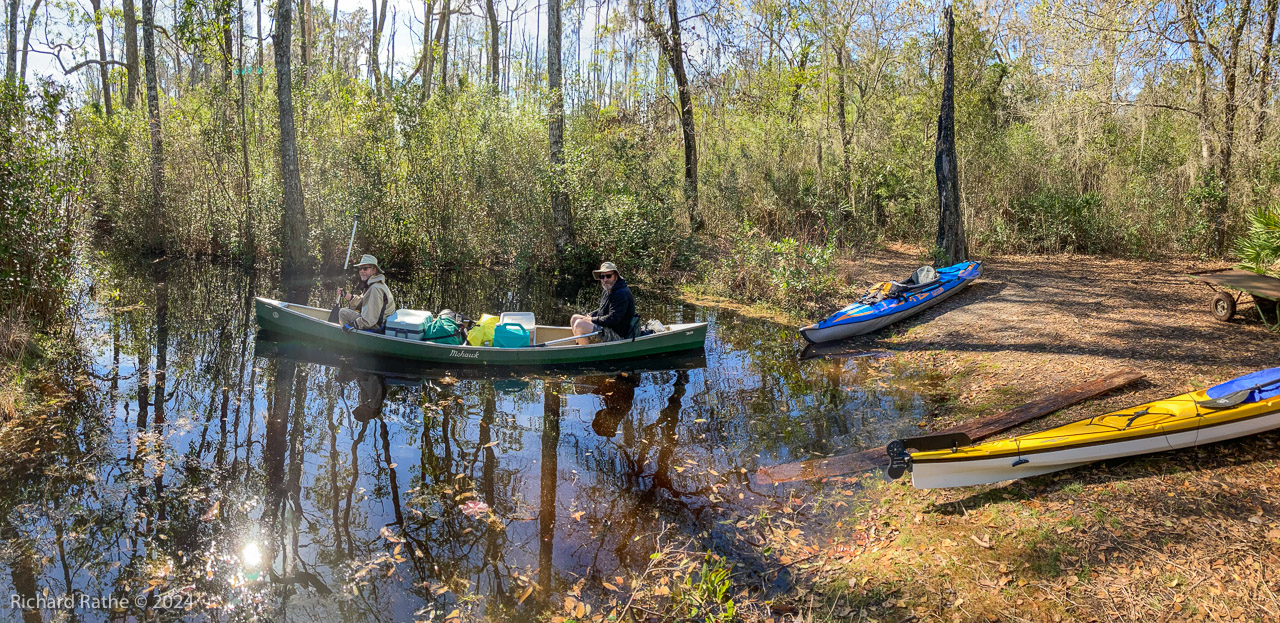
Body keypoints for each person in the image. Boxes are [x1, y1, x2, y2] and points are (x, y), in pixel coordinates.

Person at [571, 261, 637, 345]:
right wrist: (591, 315)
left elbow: (613, 319)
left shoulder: (621, 293)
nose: (605, 279)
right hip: (607, 328)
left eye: (608, 276)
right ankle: (581, 344)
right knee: (575, 318)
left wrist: (592, 319)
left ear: (616, 276)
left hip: (618, 336)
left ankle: (585, 354)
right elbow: (603, 310)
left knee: (580, 324)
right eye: (602, 277)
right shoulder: (608, 289)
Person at [337, 254, 397, 333]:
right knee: (351, 310)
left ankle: (348, 338)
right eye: (360, 269)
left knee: (343, 313)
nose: (362, 271)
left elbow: (369, 320)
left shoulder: (375, 289)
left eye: (365, 268)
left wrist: (352, 324)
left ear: (374, 270)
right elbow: (363, 302)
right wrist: (346, 295)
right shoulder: (373, 284)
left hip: (377, 326)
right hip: (379, 322)